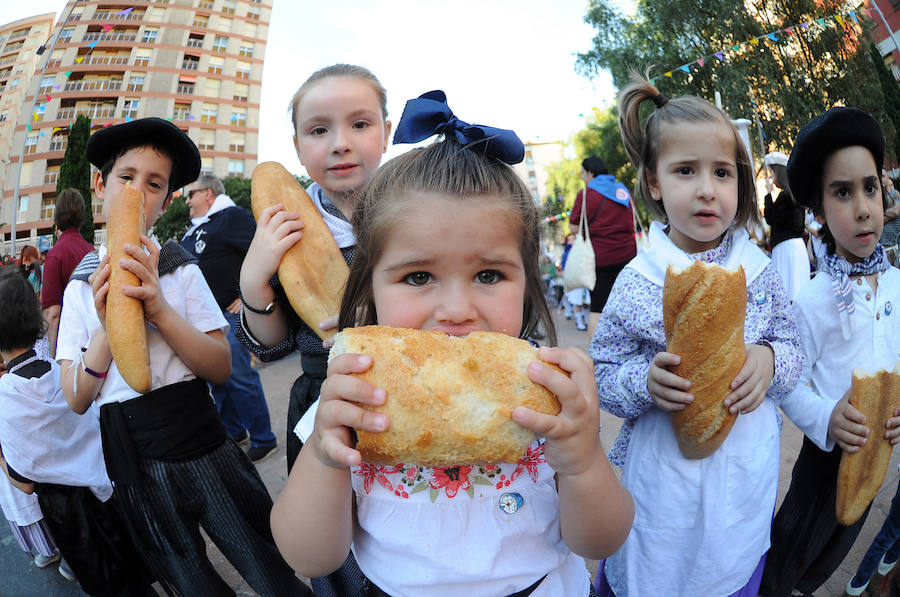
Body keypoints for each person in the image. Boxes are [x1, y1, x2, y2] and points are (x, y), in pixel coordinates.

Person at [270, 90, 634, 596]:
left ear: (527, 282)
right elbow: (309, 555)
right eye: (419, 277)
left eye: (489, 274)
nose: (457, 310)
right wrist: (326, 459)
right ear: (369, 287)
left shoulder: (549, 395)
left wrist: (583, 459)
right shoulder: (354, 398)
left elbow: (602, 540)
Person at [55, 117, 308, 596]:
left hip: (202, 441)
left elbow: (221, 365)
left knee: (264, 561)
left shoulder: (177, 267)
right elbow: (75, 397)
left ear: (167, 200)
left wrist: (159, 308)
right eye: (125, 177)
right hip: (133, 461)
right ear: (99, 185)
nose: (138, 192)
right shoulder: (80, 290)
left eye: (154, 184)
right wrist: (109, 330)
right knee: (189, 579)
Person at [591, 75, 804, 597]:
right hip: (661, 490)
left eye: (722, 173)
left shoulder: (759, 272)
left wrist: (772, 360)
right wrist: (644, 382)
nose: (707, 188)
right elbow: (603, 373)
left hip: (740, 485)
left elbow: (796, 348)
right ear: (654, 182)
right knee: (655, 572)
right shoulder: (638, 280)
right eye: (686, 171)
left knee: (730, 572)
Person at [759, 108, 900, 597]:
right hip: (825, 464)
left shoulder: (898, 285)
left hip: (877, 459)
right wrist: (825, 418)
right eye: (843, 192)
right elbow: (788, 379)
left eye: (870, 188)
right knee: (788, 561)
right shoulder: (814, 300)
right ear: (818, 211)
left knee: (832, 555)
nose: (862, 207)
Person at [236, 63, 392, 474]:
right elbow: (274, 343)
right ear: (298, 146)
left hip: (401, 388)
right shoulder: (284, 226)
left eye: (360, 124)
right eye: (319, 130)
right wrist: (253, 280)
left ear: (387, 132)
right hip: (321, 396)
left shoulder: (414, 215)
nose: (340, 143)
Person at [0, 269, 153, 594]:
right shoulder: (65, 372)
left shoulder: (6, 396)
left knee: (105, 584)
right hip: (110, 495)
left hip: (68, 517)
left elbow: (24, 483)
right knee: (135, 572)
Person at [181, 173, 278, 463]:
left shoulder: (231, 217)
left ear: (208, 194)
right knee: (217, 379)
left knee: (238, 373)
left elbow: (263, 251)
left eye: (191, 194)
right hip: (205, 320)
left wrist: (245, 295)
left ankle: (264, 438)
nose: (187, 200)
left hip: (229, 313)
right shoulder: (194, 229)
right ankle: (235, 431)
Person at [568, 155, 637, 336]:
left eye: (583, 173)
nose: (583, 178)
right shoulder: (623, 191)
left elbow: (574, 228)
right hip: (629, 257)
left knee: (598, 308)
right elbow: (632, 220)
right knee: (628, 305)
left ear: (591, 172)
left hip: (601, 261)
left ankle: (597, 357)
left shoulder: (586, 196)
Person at [41, 189, 95, 359]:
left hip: (71, 351)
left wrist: (51, 359)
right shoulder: (92, 252)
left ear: (57, 219)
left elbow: (53, 314)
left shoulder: (55, 255)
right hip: (96, 346)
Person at [764, 151, 810, 301]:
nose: (770, 177)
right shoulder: (792, 195)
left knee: (788, 293)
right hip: (794, 247)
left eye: (772, 173)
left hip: (786, 248)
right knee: (797, 290)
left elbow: (771, 218)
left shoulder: (785, 196)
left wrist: (768, 195)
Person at [879, 168, 900, 249]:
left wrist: (880, 213)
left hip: (896, 240)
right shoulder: (878, 199)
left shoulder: (895, 194)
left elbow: (895, 211)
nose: (881, 179)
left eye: (883, 176)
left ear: (888, 178)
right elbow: (878, 220)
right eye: (879, 176)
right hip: (884, 242)